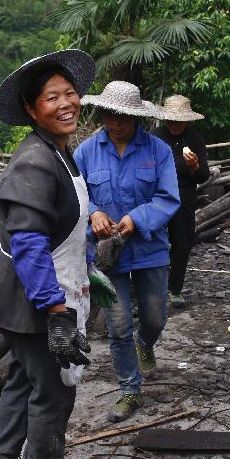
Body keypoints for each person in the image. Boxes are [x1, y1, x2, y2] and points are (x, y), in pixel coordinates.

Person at [0, 50, 114, 459]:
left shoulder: (60, 154)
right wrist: (57, 311)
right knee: (55, 389)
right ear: (31, 108)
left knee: (24, 378)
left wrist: (89, 271)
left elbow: (65, 228)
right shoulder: (34, 164)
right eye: (51, 97)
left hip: (46, 288)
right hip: (35, 298)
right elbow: (28, 244)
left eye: (70, 93)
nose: (66, 103)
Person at [73, 81, 180, 422]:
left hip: (149, 247)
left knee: (154, 315)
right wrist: (93, 213)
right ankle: (129, 390)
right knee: (117, 326)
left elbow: (168, 198)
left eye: (122, 116)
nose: (115, 122)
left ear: (135, 117)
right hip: (107, 255)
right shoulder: (86, 153)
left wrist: (137, 218)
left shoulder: (158, 151)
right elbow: (75, 197)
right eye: (109, 114)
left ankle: (146, 342)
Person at [151, 95, 210, 308]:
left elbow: (203, 176)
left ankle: (175, 289)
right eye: (171, 120)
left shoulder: (195, 140)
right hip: (156, 197)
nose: (175, 124)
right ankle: (150, 286)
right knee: (152, 242)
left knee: (182, 244)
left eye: (179, 120)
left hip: (184, 198)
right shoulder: (155, 137)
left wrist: (194, 166)